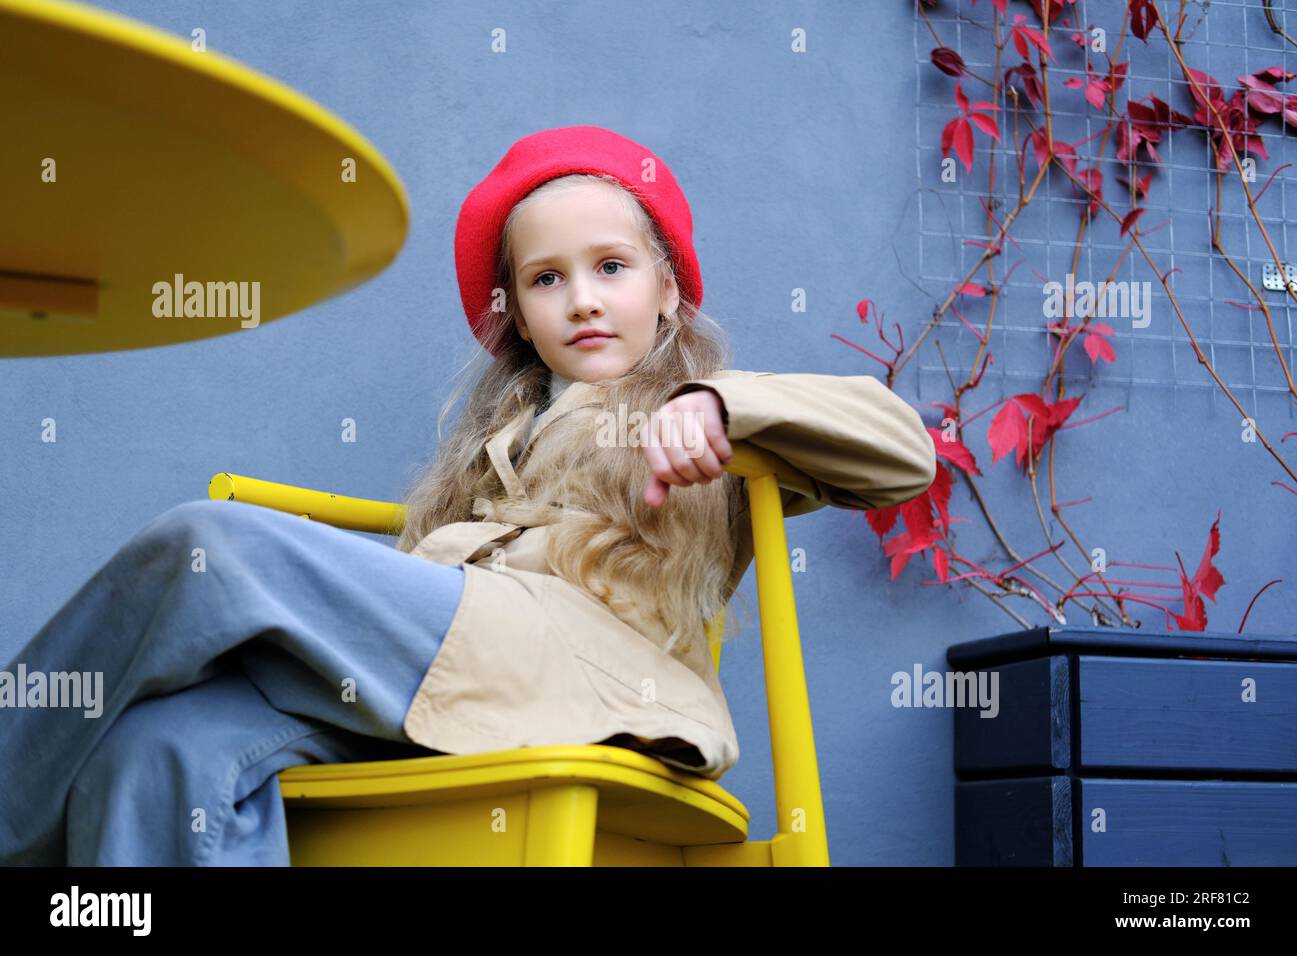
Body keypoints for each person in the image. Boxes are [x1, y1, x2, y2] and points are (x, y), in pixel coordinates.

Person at [0, 125, 936, 867]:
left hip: (589, 677)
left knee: (211, 547)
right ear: (518, 316)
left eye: (612, 266)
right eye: (546, 279)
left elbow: (907, 454)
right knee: (158, 750)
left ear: (670, 290)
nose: (582, 299)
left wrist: (721, 405)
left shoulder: (697, 420)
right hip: (462, 677)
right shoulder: (493, 445)